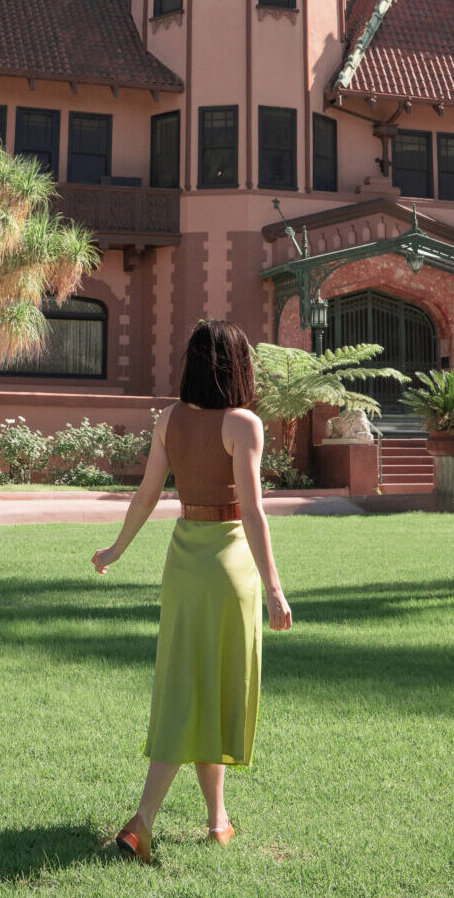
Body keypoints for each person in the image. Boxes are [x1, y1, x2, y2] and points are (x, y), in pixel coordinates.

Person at [91, 320, 293, 863]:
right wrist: (275, 588)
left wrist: (116, 550)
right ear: (239, 366)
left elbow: (146, 494)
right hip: (228, 565)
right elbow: (252, 511)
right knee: (206, 689)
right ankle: (143, 820)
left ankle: (217, 818)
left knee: (194, 684)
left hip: (182, 561)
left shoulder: (169, 419)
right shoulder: (243, 424)